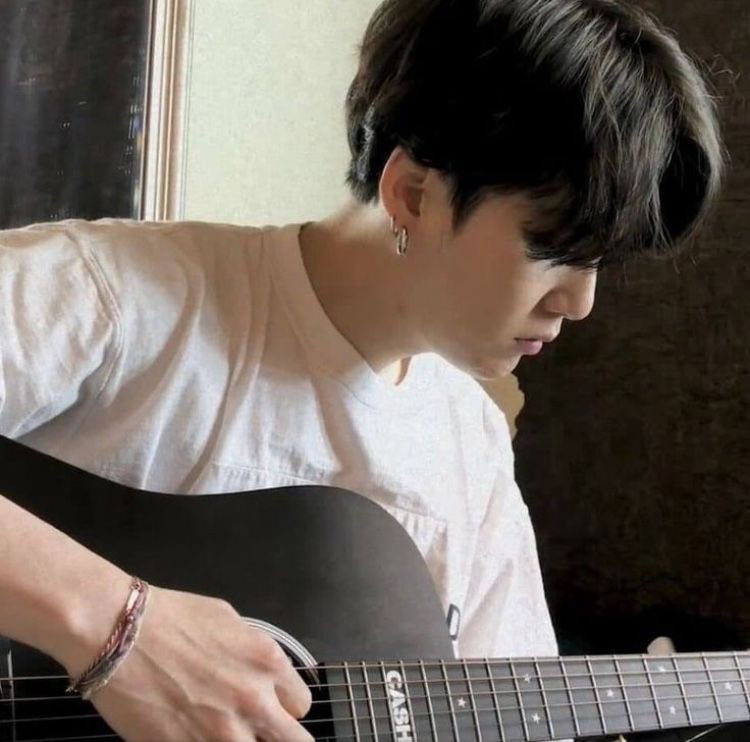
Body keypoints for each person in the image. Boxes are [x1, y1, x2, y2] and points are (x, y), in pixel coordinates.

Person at [0, 0, 724, 739]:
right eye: (554, 248)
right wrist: (120, 628)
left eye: (600, 262)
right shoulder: (118, 296)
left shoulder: (471, 447)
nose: (580, 301)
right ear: (413, 193)